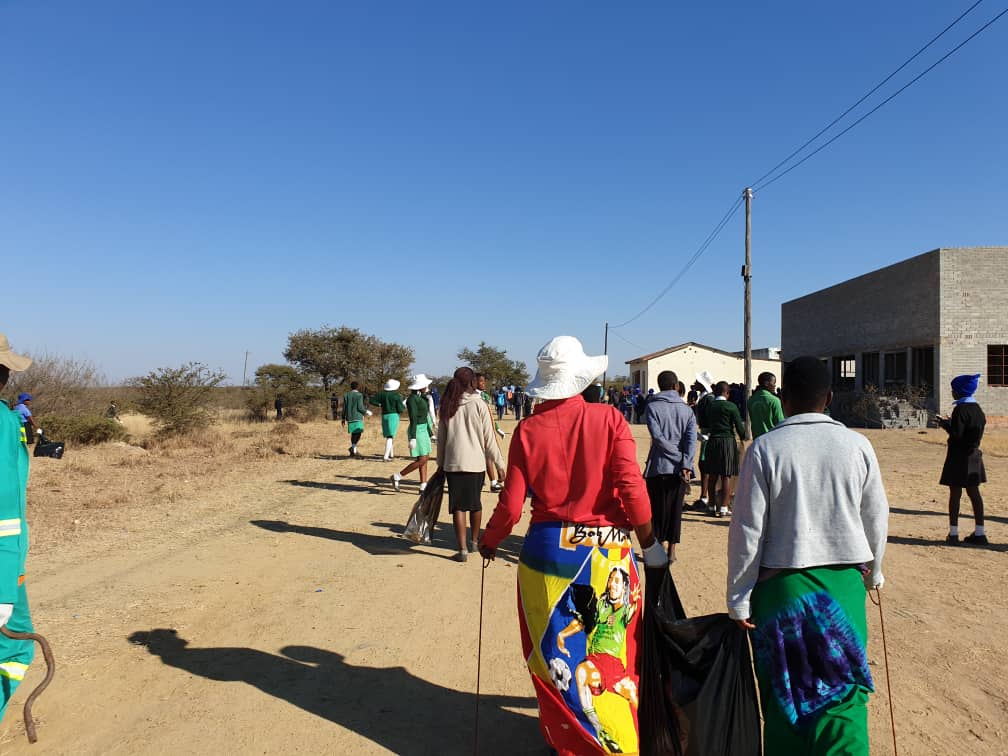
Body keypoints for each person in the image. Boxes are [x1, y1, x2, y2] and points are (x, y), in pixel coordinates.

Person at [480, 336, 667, 756]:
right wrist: (650, 545)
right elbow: (631, 486)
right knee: (611, 656)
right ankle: (616, 743)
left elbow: (511, 506)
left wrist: (489, 540)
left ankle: (567, 740)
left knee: (554, 655)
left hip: (545, 555)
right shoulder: (609, 419)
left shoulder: (527, 431)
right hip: (606, 555)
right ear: (581, 379)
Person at [727, 356, 888, 755]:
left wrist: (739, 597)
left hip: (781, 591)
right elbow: (875, 516)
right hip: (843, 587)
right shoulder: (857, 446)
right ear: (829, 398)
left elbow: (748, 530)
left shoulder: (765, 449)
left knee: (785, 696)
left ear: (783, 398)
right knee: (843, 694)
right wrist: (874, 572)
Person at [0, 334, 36, 720]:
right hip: (4, 566)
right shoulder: (3, 424)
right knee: (15, 648)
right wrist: (3, 588)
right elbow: (5, 516)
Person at [436, 367, 506, 563]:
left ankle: (462, 550)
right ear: (472, 382)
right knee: (475, 504)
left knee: (458, 507)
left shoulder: (447, 406)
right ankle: (474, 542)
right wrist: (500, 465)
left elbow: (441, 440)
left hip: (453, 464)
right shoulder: (480, 404)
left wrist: (440, 464)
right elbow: (490, 439)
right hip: (476, 464)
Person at [643, 370, 697, 561]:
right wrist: (685, 461)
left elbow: (658, 438)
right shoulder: (687, 410)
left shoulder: (652, 407)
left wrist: (677, 457)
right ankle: (672, 549)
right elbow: (691, 440)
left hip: (658, 466)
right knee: (675, 509)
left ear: (660, 385)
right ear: (676, 386)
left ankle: (658, 545)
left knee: (657, 508)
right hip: (680, 470)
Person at [936, 373, 988, 545]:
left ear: (959, 392)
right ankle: (980, 533)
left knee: (955, 494)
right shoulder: (978, 409)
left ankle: (953, 534)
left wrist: (945, 425)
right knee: (974, 494)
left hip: (958, 457)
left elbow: (957, 434)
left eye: (953, 390)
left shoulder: (960, 409)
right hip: (973, 456)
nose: (952, 392)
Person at [704, 381, 746, 517]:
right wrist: (743, 437)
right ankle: (723, 507)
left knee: (712, 475)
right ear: (727, 393)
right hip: (727, 441)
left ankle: (711, 505)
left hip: (712, 440)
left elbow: (704, 423)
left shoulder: (709, 406)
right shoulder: (731, 406)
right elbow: (739, 427)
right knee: (726, 475)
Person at [392, 375, 437, 492]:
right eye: (425, 385)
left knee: (425, 457)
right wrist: (413, 437)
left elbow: (425, 417)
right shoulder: (412, 399)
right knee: (422, 459)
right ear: (420, 386)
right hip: (416, 430)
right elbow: (413, 419)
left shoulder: (423, 397)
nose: (427, 387)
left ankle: (423, 485)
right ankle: (397, 476)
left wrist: (430, 433)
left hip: (423, 429)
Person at [475, 373, 506, 492]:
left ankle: (492, 482)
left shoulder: (485, 396)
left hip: (486, 429)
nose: (483, 384)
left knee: (488, 455)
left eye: (484, 381)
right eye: (481, 381)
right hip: (477, 431)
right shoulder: (472, 397)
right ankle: (488, 481)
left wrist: (497, 429)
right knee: (485, 456)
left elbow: (489, 417)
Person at [370, 379, 406, 462]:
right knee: (390, 436)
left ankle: (391, 454)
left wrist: (379, 404)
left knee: (389, 436)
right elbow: (400, 409)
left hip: (384, 415)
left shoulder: (381, 394)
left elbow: (371, 400)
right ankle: (386, 457)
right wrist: (404, 406)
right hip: (393, 416)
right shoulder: (397, 395)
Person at [748, 371, 785, 439]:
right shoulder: (774, 400)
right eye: (774, 383)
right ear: (766, 383)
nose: (775, 385)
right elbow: (780, 423)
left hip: (757, 439)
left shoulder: (751, 400)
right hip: (771, 439)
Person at [340, 381, 372, 458]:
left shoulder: (346, 395)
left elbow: (344, 408)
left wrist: (343, 418)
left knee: (353, 434)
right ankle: (353, 450)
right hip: (358, 417)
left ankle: (353, 450)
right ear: (358, 387)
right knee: (358, 433)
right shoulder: (359, 395)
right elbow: (360, 407)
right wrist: (367, 412)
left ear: (351, 387)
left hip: (350, 417)